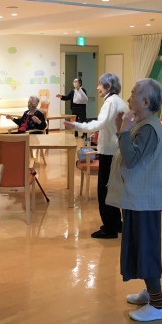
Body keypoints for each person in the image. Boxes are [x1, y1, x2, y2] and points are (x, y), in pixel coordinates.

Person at [107, 78, 162, 322]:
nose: (129, 97)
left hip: (145, 201)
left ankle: (158, 304)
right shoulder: (142, 123)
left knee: (146, 249)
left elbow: (131, 160)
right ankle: (151, 292)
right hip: (138, 198)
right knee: (139, 246)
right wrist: (121, 128)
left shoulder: (148, 128)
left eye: (133, 93)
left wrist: (123, 130)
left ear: (145, 102)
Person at [64, 73, 128, 239]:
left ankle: (109, 228)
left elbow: (99, 124)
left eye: (100, 84)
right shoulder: (118, 101)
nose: (98, 88)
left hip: (110, 152)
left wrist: (76, 125)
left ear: (108, 86)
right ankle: (116, 223)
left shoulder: (110, 102)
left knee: (104, 190)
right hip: (116, 150)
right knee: (112, 188)